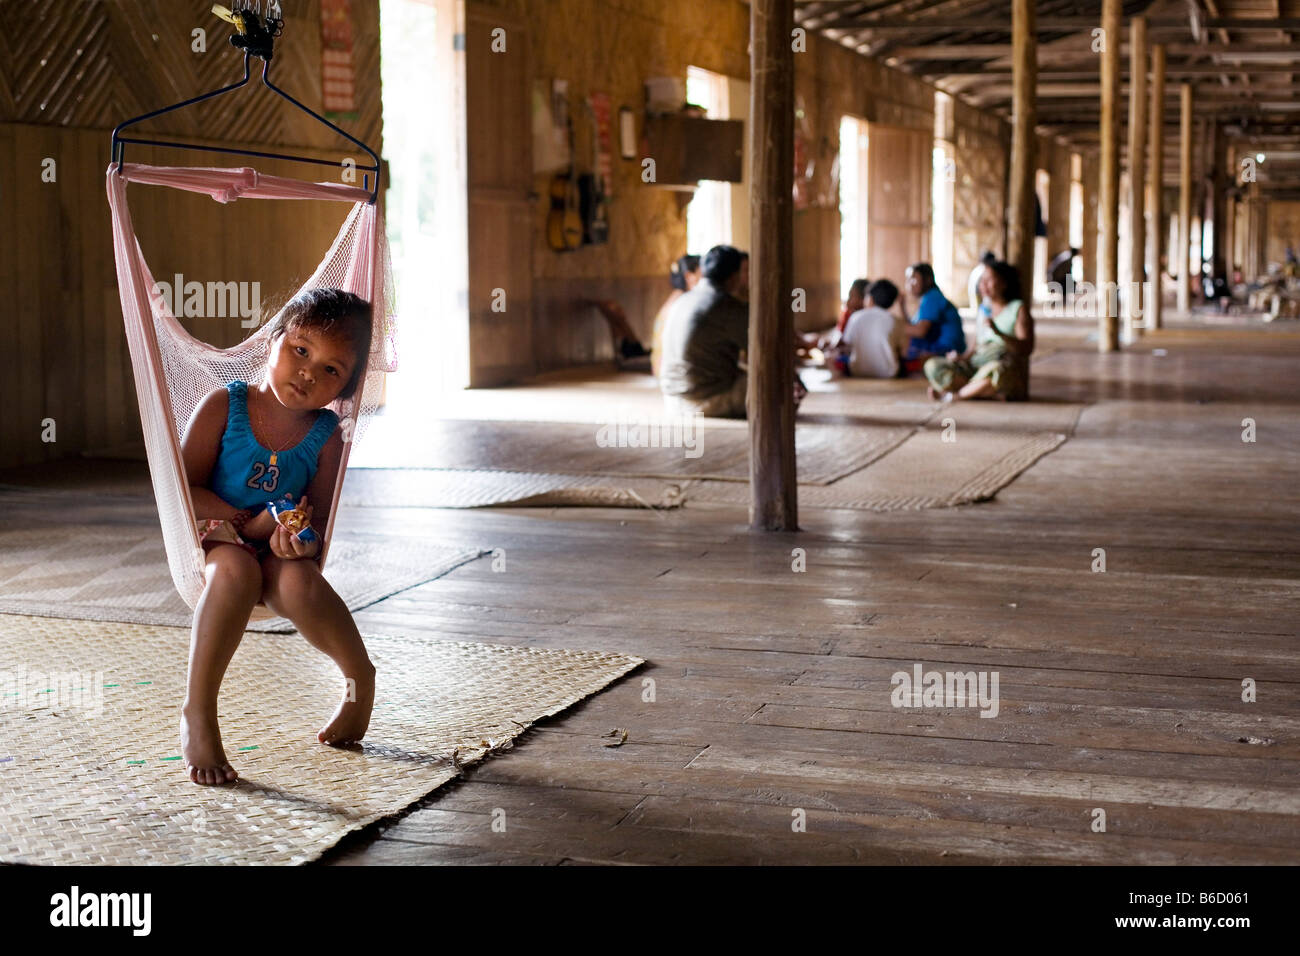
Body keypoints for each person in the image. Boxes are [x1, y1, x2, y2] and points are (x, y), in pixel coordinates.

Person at [179, 288, 376, 784]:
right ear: (272, 340)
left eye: (332, 370)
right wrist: (238, 518)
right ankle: (198, 709)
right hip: (217, 537)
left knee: (299, 583)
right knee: (236, 568)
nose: (308, 372)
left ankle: (359, 678)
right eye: (301, 350)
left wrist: (301, 543)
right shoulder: (227, 405)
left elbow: (316, 523)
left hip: (274, 548)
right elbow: (182, 489)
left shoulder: (326, 435)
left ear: (347, 386)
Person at [659, 245, 752, 417]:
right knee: (776, 381)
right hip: (703, 402)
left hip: (672, 399)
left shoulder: (684, 300)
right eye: (744, 272)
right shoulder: (726, 305)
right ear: (734, 277)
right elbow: (761, 353)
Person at [923, 260, 1035, 402]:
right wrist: (961, 358)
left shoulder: (1017, 309)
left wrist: (998, 332)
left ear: (1004, 283)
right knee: (932, 365)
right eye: (982, 280)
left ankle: (958, 395)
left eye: (989, 280)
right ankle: (981, 390)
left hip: (998, 363)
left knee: (998, 371)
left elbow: (1026, 348)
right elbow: (976, 345)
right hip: (976, 364)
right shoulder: (984, 309)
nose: (983, 285)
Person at [828, 279, 903, 378]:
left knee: (833, 357)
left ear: (870, 299)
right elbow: (903, 351)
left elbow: (847, 344)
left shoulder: (855, 317)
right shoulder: (896, 320)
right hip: (888, 373)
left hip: (857, 372)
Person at [903, 262, 966, 373]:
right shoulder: (928, 298)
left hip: (947, 349)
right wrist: (901, 308)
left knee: (904, 359)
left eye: (913, 279)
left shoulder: (932, 297)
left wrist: (892, 326)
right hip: (941, 347)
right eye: (907, 279)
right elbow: (913, 327)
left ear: (928, 280)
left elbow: (920, 331)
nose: (909, 284)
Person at [650, 254, 701, 377]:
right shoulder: (683, 303)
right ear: (689, 276)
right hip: (668, 372)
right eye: (702, 275)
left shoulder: (675, 299)